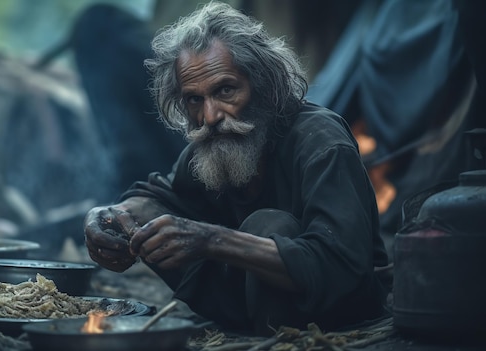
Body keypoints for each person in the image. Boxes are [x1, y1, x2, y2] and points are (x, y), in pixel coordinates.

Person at [83, 1, 389, 336]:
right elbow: (156, 197)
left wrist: (211, 239)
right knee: (152, 220)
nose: (210, 116)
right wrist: (109, 215)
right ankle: (242, 327)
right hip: (246, 313)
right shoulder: (213, 147)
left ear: (262, 85)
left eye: (225, 90)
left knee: (267, 224)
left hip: (337, 318)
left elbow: (343, 269)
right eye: (194, 100)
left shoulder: (320, 140)